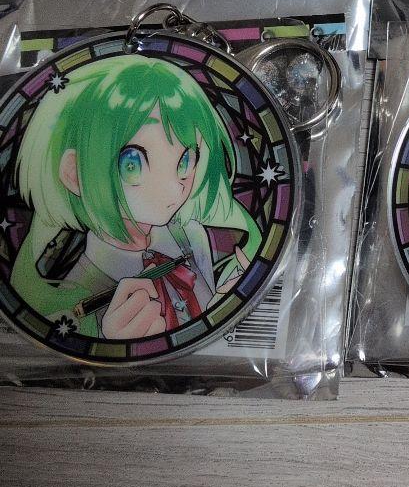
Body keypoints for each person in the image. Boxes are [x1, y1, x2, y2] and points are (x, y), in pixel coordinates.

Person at [11, 55, 262, 340]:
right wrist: (107, 341)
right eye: (133, 164)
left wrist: (224, 303)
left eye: (184, 161)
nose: (173, 189)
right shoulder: (75, 296)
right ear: (74, 173)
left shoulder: (190, 234)